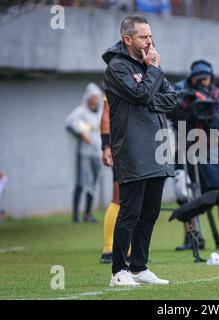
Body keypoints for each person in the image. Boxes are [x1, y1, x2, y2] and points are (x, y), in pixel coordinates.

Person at [102, 16, 177, 286]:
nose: (149, 41)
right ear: (128, 39)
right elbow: (140, 95)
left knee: (150, 212)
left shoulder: (149, 66)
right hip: (132, 149)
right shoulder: (117, 67)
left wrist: (149, 83)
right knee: (130, 212)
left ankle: (139, 267)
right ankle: (118, 272)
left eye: (150, 36)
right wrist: (152, 72)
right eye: (144, 37)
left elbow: (171, 98)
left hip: (156, 148)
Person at [172, 60, 219, 250]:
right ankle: (192, 237)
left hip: (212, 148)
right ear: (191, 78)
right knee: (184, 193)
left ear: (211, 78)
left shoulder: (218, 96)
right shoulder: (180, 90)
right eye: (198, 79)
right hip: (184, 147)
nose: (202, 83)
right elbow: (166, 106)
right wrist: (186, 103)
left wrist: (210, 111)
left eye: (205, 79)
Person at [99, 96, 131, 264]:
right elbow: (106, 113)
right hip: (122, 144)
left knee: (138, 198)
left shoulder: (150, 76)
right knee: (119, 196)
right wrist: (106, 146)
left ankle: (130, 250)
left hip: (142, 145)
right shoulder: (117, 75)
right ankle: (108, 249)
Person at [65, 83, 103, 224]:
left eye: (97, 97)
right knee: (81, 182)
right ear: (88, 98)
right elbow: (69, 123)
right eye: (94, 97)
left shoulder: (100, 113)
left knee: (93, 183)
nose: (96, 99)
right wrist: (81, 132)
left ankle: (88, 214)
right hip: (84, 153)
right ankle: (75, 215)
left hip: (97, 152)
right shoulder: (80, 112)